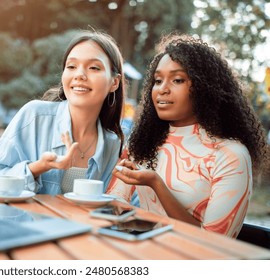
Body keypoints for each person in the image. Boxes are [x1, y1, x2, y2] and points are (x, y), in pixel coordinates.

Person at [108, 33, 269, 238]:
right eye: (157, 80)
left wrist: (156, 184)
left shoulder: (230, 155)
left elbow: (213, 244)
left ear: (204, 88)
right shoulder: (144, 142)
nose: (162, 90)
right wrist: (124, 212)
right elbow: (115, 200)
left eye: (177, 79)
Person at [0, 30, 126, 195]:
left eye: (93, 67)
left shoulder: (114, 146)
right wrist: (39, 167)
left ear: (114, 82)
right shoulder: (34, 116)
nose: (80, 75)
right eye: (71, 66)